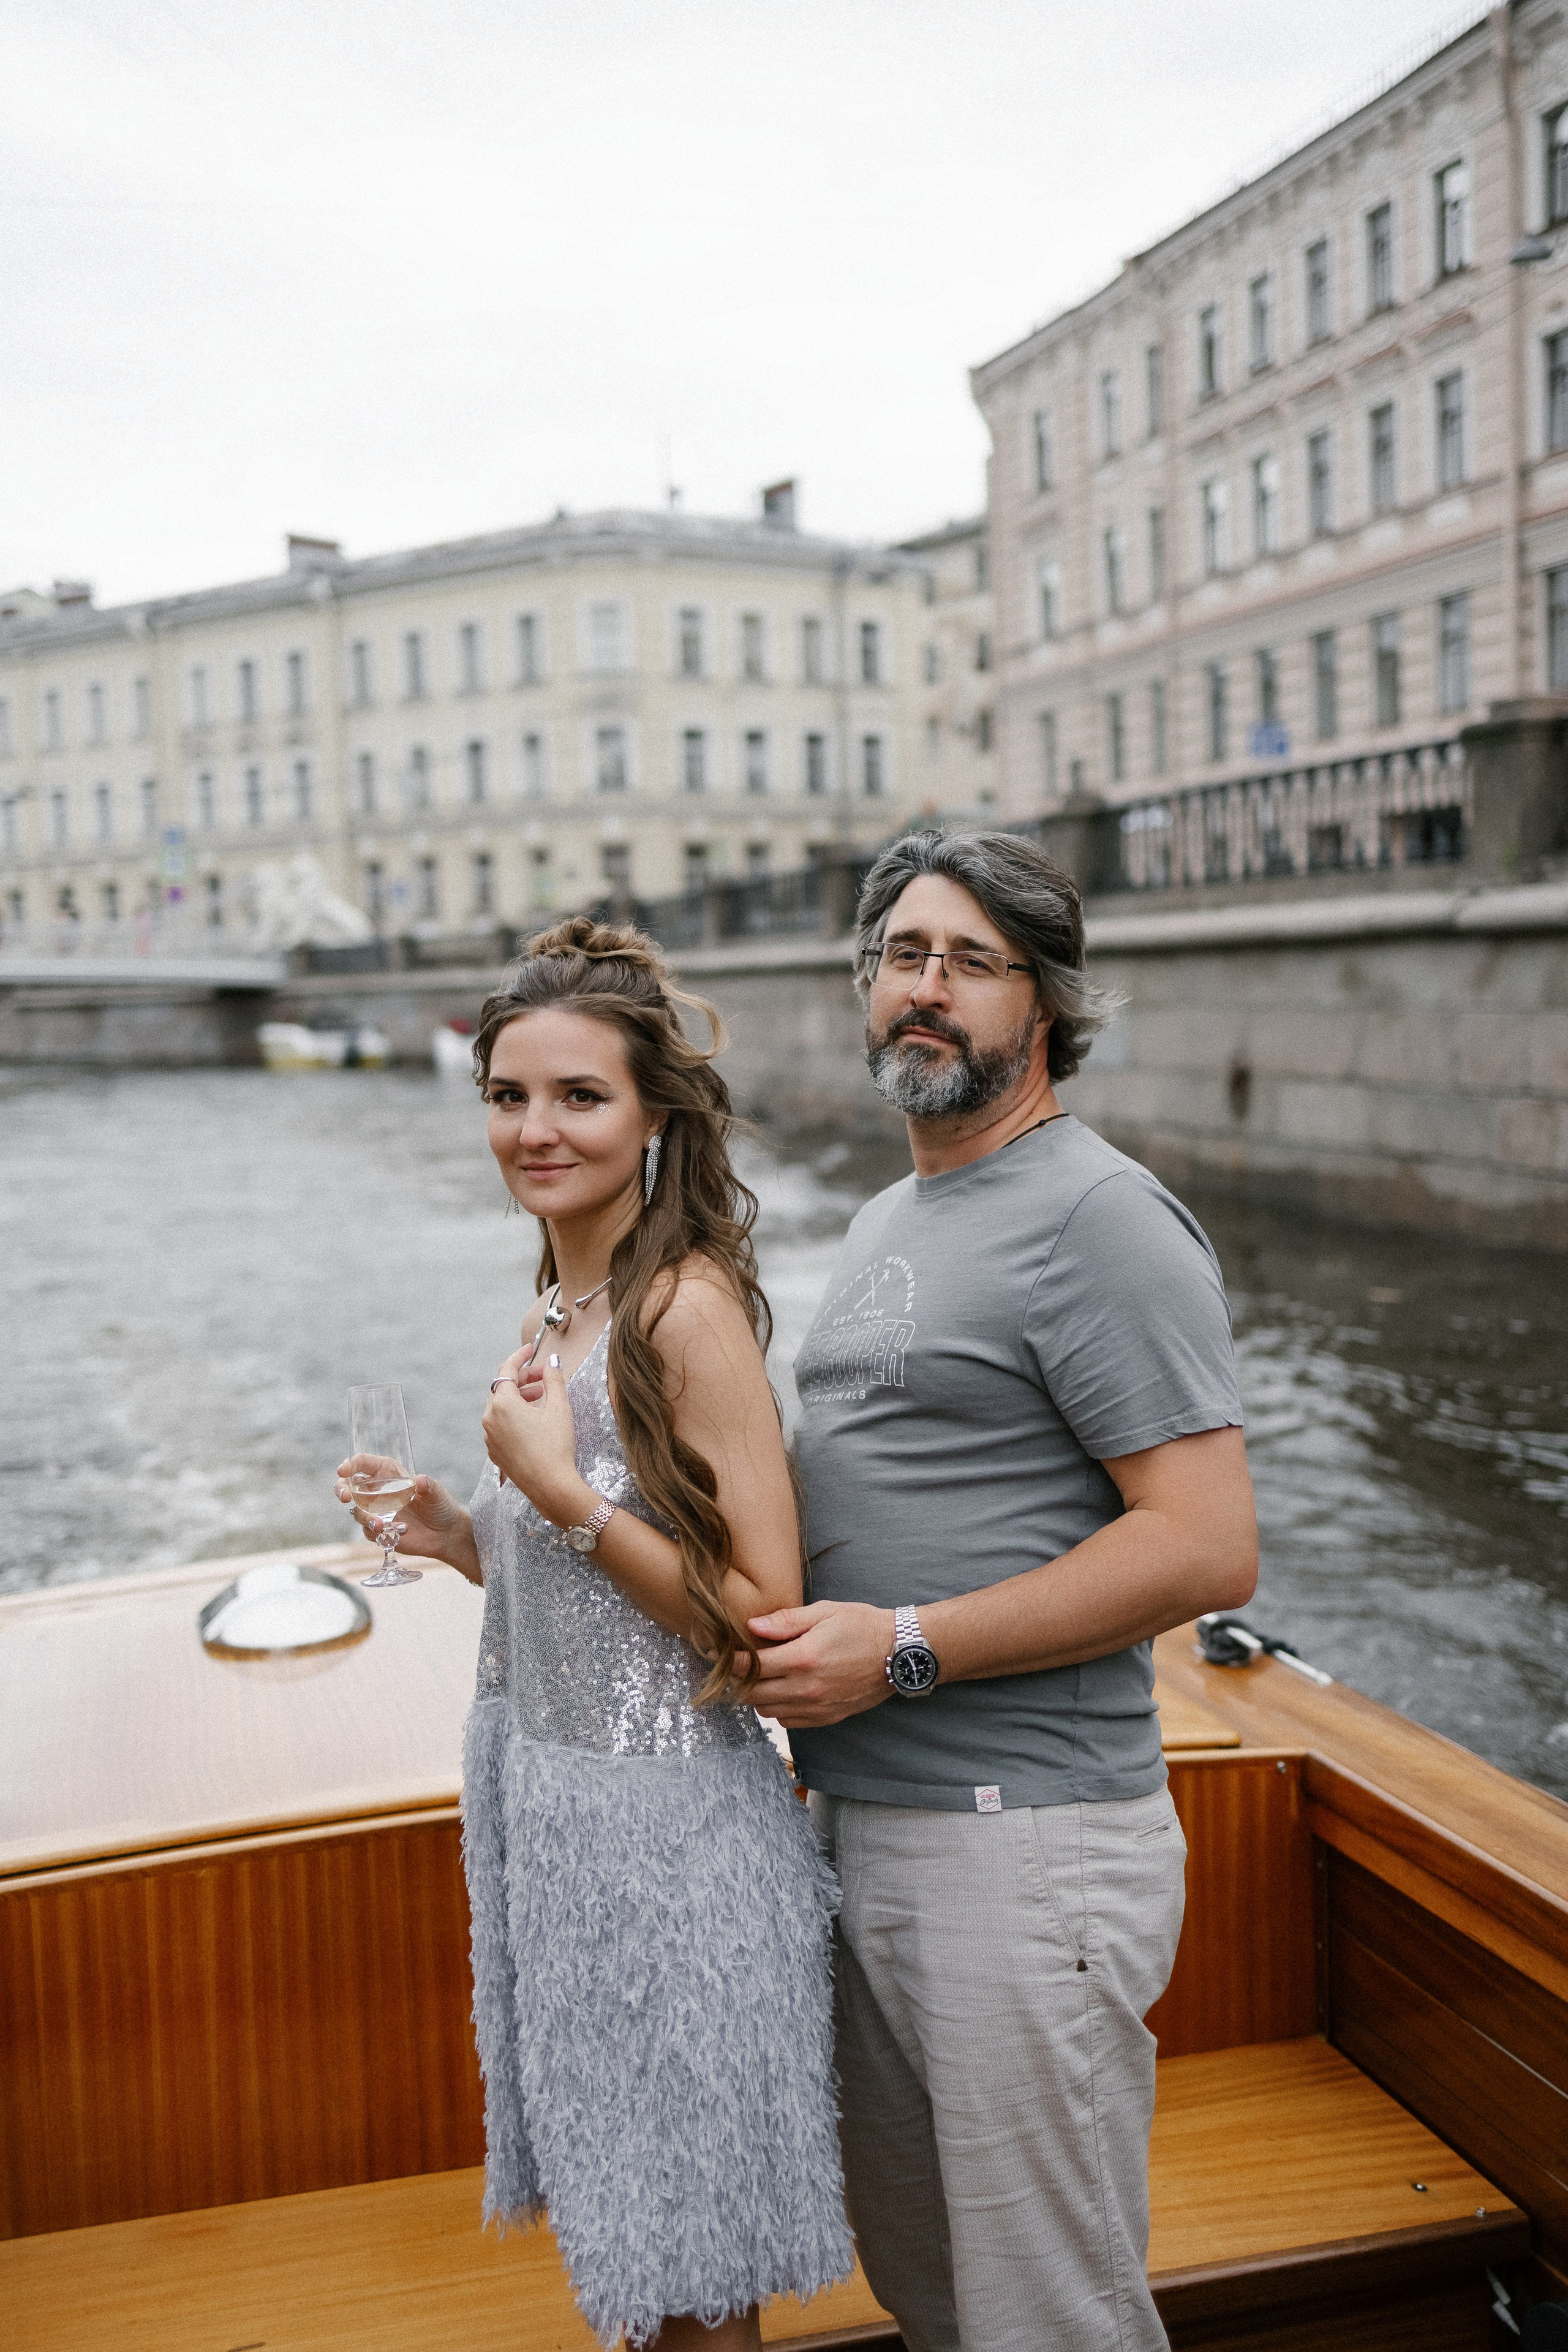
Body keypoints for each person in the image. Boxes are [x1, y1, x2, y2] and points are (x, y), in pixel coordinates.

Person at [748, 829, 1259, 2352]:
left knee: (1048, 2317)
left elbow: (1202, 1546)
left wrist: (901, 1649)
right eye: (902, 955)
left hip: (1020, 1845)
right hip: (864, 1825)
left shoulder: (1098, 1217)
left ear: (1043, 1004)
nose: (926, 987)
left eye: (971, 962)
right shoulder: (889, 1217)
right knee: (930, 2294)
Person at [337, 917, 851, 2352]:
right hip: (563, 1845)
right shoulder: (556, 1310)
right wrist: (466, 1534)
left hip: (674, 1856)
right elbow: (599, 1598)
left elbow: (759, 1621)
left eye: (579, 1096)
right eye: (508, 1095)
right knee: (637, 2265)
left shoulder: (684, 1311)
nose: (535, 1129)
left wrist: (558, 1498)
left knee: (696, 2290)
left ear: (653, 1116)